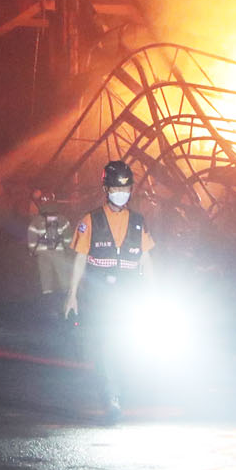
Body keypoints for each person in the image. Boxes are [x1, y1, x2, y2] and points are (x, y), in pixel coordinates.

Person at [61, 159, 157, 421]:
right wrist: (72, 296)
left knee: (128, 345)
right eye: (116, 187)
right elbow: (80, 259)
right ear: (106, 188)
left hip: (129, 298)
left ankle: (122, 392)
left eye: (125, 188)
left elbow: (146, 260)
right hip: (100, 298)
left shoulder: (138, 222)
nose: (121, 192)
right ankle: (111, 396)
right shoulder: (89, 221)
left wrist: (153, 296)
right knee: (106, 347)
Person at [27, 188, 76, 320]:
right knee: (64, 281)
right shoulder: (62, 219)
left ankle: (49, 310)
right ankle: (66, 306)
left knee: (46, 282)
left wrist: (34, 251)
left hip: (42, 255)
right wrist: (68, 252)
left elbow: (32, 238)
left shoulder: (36, 220)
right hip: (59, 253)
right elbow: (68, 239)